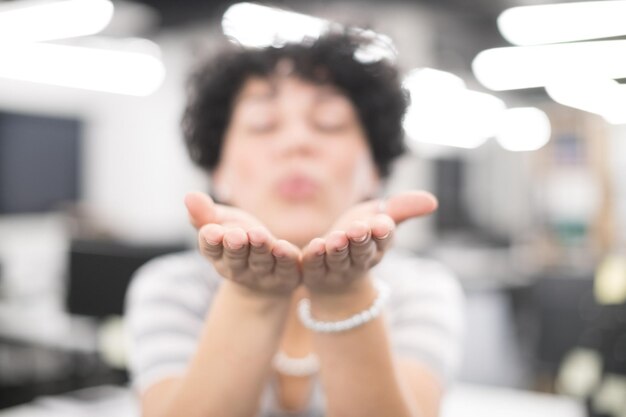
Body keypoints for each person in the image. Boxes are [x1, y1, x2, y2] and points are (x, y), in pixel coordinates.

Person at [124, 29, 464, 417]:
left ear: (374, 169)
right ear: (219, 172)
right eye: (263, 124)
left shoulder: (418, 290)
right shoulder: (172, 288)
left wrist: (345, 293)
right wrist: (253, 294)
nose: (297, 142)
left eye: (330, 122)